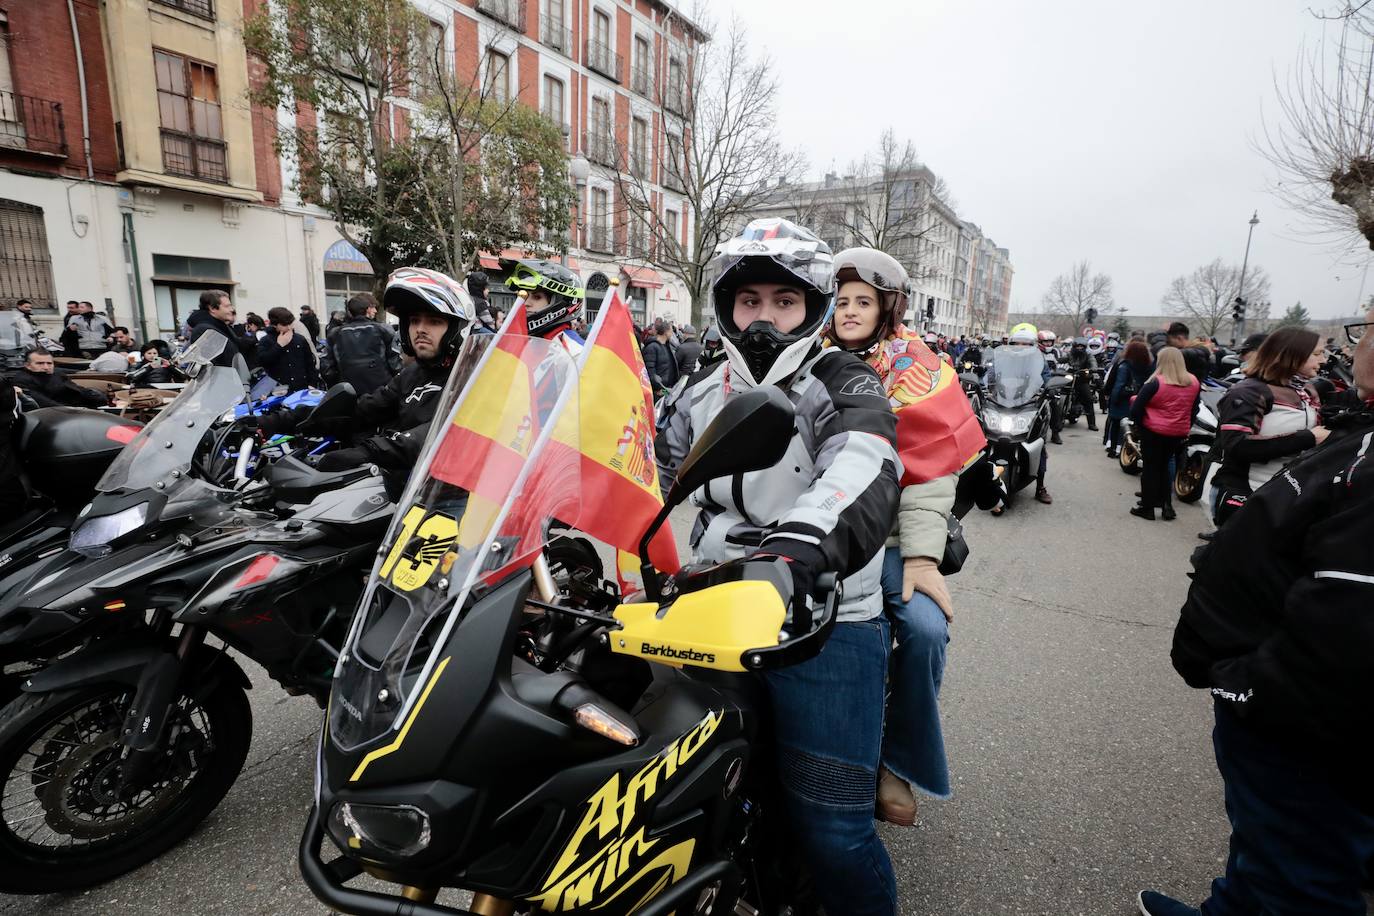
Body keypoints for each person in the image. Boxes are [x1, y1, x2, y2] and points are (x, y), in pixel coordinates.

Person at [655, 219, 901, 916]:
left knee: (833, 833)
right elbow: (646, 471)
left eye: (784, 302)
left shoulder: (843, 382)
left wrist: (789, 556)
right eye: (750, 300)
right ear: (726, 307)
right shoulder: (700, 391)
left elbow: (863, 464)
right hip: (708, 612)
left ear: (813, 309)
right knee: (682, 800)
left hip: (819, 620)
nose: (765, 317)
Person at [1137, 305, 1374, 916]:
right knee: (1273, 844)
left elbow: (1348, 615)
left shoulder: (1319, 401)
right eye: (1322, 349)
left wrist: (1251, 684)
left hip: (1297, 711)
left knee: (1301, 868)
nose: (1338, 353)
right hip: (1286, 694)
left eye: (1361, 332)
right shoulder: (1259, 392)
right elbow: (1234, 447)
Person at [824, 246, 985, 830]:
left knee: (923, 629)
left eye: (862, 300)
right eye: (840, 300)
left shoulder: (916, 370)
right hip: (816, 532)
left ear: (889, 306)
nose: (848, 311)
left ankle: (895, 763)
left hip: (888, 542)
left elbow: (929, 473)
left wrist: (920, 558)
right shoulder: (804, 360)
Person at [279, 268, 473, 499]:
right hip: (406, 492)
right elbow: (365, 409)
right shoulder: (412, 374)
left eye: (434, 321)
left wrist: (367, 451)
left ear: (456, 329)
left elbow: (441, 433)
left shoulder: (473, 374)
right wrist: (289, 420)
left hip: (453, 498)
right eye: (414, 321)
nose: (420, 329)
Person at [1206, 327, 1328, 527]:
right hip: (1247, 492)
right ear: (1292, 355)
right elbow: (1237, 446)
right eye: (1317, 354)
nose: (1323, 360)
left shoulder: (1307, 390)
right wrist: (1308, 438)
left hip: (1284, 495)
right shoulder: (1249, 391)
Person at [986, 324, 1054, 511]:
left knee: (1038, 444)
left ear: (1032, 345)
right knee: (982, 435)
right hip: (1003, 403)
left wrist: (1048, 389)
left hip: (1029, 405)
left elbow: (1046, 379)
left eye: (1025, 344)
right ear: (1010, 343)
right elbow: (990, 375)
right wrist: (985, 386)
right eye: (1017, 343)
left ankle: (1040, 486)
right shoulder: (1002, 357)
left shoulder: (1039, 360)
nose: (1021, 347)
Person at [1127, 347, 1200, 521]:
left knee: (1150, 469)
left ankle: (1147, 507)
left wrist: (1140, 424)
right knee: (1165, 467)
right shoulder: (1193, 382)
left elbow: (1136, 408)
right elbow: (1194, 408)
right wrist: (1185, 425)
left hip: (1153, 431)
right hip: (1177, 432)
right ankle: (1167, 506)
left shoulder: (1155, 382)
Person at [500, 258, 587, 354]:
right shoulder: (528, 341)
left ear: (561, 302)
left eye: (537, 297)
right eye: (523, 297)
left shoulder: (575, 351)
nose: (526, 303)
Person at [321, 295, 402, 396]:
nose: (376, 311)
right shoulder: (384, 330)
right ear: (367, 309)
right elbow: (396, 364)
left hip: (348, 393)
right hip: (380, 393)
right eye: (373, 307)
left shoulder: (335, 333)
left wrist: (338, 385)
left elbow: (326, 368)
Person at [11, 348, 107, 409]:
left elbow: (77, 390)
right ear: (27, 365)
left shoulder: (57, 374)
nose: (46, 367)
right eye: (40, 363)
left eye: (49, 363)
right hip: (50, 416)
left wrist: (99, 397)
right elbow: (43, 403)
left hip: (74, 409)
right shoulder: (22, 380)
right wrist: (75, 411)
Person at [1104, 338, 1151, 458]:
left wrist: (1112, 399)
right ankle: (1123, 448)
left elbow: (1118, 384)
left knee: (1116, 424)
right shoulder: (1148, 366)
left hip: (1122, 399)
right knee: (1129, 425)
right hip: (1137, 399)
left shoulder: (1124, 365)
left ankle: (1113, 447)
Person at [257, 307, 321, 393]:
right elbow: (263, 361)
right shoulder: (266, 340)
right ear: (275, 324)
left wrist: (312, 384)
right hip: (278, 390)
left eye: (290, 324)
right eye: (284, 325)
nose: (289, 327)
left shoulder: (299, 339)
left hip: (302, 388)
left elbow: (310, 363)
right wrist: (279, 346)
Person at [187, 289, 251, 366]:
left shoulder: (220, 326)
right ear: (212, 308)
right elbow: (214, 366)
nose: (232, 309)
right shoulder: (205, 331)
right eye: (227, 306)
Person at [1066, 336, 1099, 431]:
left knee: (1088, 398)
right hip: (1069, 378)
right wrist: (1055, 362)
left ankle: (1092, 423)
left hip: (1082, 379)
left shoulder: (1088, 354)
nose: (1079, 348)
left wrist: (1093, 368)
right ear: (1074, 346)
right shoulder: (1070, 354)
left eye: (1081, 346)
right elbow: (1061, 360)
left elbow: (1093, 362)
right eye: (1078, 346)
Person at [641, 319, 679, 397]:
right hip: (658, 391)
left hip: (667, 389)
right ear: (665, 332)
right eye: (671, 331)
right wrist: (660, 389)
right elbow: (650, 372)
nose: (672, 333)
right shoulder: (652, 347)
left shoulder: (667, 346)